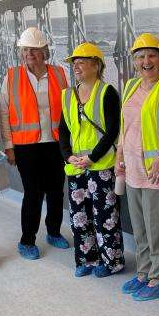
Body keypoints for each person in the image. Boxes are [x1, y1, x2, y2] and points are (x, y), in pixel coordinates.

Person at [116, 33, 159, 301]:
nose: (147, 61)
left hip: (157, 171)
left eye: (152, 55)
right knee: (141, 227)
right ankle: (144, 272)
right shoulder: (132, 85)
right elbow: (126, 125)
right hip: (132, 169)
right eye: (141, 57)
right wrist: (120, 154)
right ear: (134, 62)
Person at [0, 27, 70, 260]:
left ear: (44, 51)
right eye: (26, 49)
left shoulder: (59, 74)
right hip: (26, 146)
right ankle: (27, 240)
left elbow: (68, 110)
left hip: (55, 143)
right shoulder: (12, 76)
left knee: (56, 191)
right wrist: (9, 145)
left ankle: (53, 232)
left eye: (35, 49)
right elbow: (4, 112)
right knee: (33, 193)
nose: (30, 53)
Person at [59, 42, 125, 278]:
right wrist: (68, 156)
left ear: (96, 65)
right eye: (74, 63)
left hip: (101, 165)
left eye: (82, 62)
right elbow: (63, 130)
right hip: (75, 167)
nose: (76, 66)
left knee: (105, 216)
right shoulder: (67, 95)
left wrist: (92, 157)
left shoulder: (107, 92)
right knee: (79, 217)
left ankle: (111, 262)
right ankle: (87, 259)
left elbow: (113, 130)